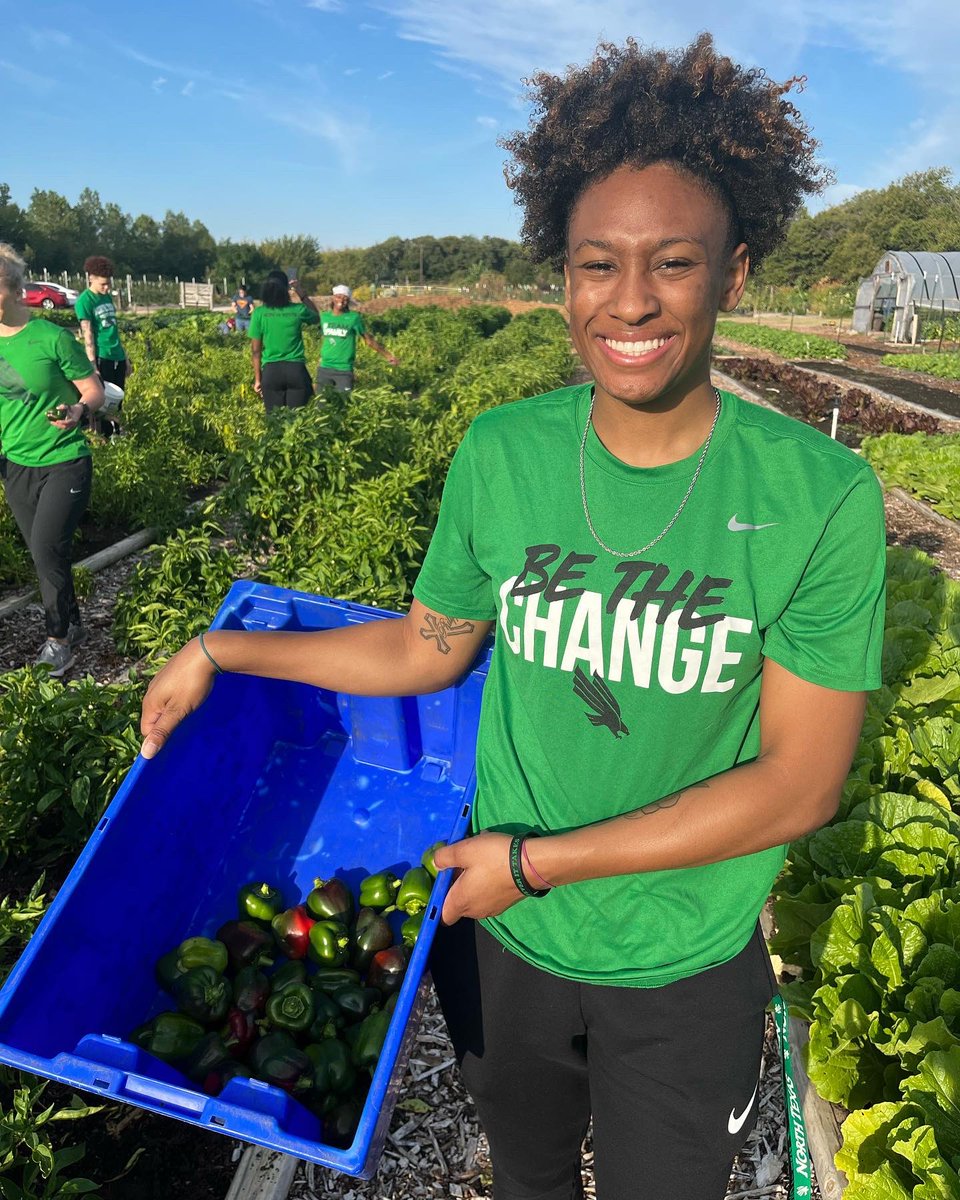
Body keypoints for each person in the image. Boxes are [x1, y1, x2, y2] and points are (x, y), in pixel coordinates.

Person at [138, 35, 885, 1200]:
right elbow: (424, 647)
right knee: (529, 1178)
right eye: (597, 264)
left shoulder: (817, 495)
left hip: (679, 960)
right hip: (509, 952)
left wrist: (535, 866)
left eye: (674, 263)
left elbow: (800, 785)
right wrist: (218, 649)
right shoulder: (504, 452)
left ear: (735, 274)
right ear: (563, 275)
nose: (630, 301)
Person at [0, 243, 106, 675]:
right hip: (16, 464)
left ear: (14, 289)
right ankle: (75, 625)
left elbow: (94, 389)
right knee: (46, 555)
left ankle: (59, 639)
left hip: (65, 459)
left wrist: (80, 410)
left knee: (47, 548)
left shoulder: (51, 337)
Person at [248, 270, 319, 412]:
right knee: (297, 422)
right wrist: (300, 292)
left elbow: (256, 352)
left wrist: (258, 379)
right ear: (286, 289)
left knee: (275, 422)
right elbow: (316, 317)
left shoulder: (259, 313)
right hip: (296, 371)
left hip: (271, 372)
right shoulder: (297, 310)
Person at [75, 255, 130, 437]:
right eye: (103, 284)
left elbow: (114, 330)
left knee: (117, 400)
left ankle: (116, 436)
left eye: (108, 284)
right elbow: (88, 334)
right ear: (91, 278)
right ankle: (103, 439)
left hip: (117, 356)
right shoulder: (85, 301)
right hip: (102, 357)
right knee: (103, 404)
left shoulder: (106, 298)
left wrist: (125, 358)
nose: (107, 288)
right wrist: (93, 366)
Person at [315, 284, 398, 395]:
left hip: (344, 369)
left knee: (343, 403)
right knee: (321, 403)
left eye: (345, 299)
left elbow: (368, 340)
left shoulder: (354, 318)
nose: (341, 300)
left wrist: (388, 356)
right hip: (325, 367)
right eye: (339, 297)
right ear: (333, 298)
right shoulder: (324, 317)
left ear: (348, 301)